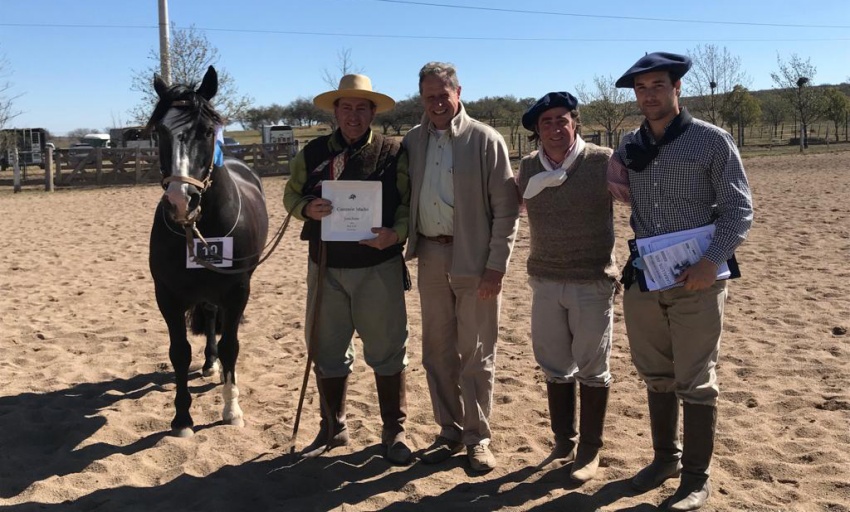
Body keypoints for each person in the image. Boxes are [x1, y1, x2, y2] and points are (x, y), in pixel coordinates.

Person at [608, 52, 753, 511]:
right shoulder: (629, 145)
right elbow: (611, 178)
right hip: (648, 275)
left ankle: (695, 478)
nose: (649, 95)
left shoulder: (712, 141)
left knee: (696, 378)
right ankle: (664, 460)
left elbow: (739, 210)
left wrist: (712, 261)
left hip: (697, 278)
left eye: (658, 86)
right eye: (641, 88)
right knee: (657, 374)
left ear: (677, 89)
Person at [283, 74, 412, 465]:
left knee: (388, 348)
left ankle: (395, 428)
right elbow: (291, 193)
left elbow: (407, 202)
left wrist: (397, 234)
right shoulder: (313, 153)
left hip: (379, 265)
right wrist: (306, 208)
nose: (353, 116)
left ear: (373, 112)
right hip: (325, 267)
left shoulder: (393, 151)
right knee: (326, 347)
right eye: (346, 108)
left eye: (361, 108)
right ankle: (333, 423)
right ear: (335, 112)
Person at [403, 62, 520, 472]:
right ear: (422, 98)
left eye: (443, 94)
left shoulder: (486, 140)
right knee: (436, 350)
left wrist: (497, 266)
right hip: (431, 256)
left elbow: (507, 211)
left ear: (458, 92)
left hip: (475, 257)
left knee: (476, 351)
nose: (437, 103)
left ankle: (478, 436)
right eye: (429, 96)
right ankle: (449, 430)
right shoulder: (413, 141)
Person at [516, 92, 618, 483]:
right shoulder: (527, 168)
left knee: (593, 365)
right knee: (555, 364)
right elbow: (510, 206)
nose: (555, 129)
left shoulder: (602, 161)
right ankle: (564, 440)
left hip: (591, 279)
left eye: (562, 120)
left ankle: (590, 450)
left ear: (574, 123)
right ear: (537, 131)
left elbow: (634, 199)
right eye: (547, 123)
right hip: (544, 279)